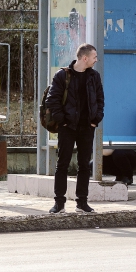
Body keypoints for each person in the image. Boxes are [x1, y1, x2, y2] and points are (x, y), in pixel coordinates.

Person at [46, 43, 105, 213]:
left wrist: (96, 119)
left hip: (87, 127)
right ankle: (59, 203)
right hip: (67, 127)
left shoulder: (94, 76)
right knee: (62, 164)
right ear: (85, 58)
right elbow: (52, 100)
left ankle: (82, 202)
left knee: (84, 165)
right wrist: (62, 121)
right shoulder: (62, 75)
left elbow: (100, 99)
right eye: (94, 57)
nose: (96, 60)